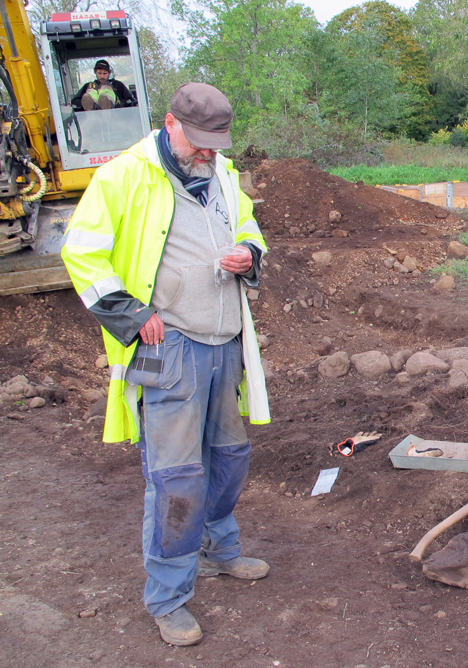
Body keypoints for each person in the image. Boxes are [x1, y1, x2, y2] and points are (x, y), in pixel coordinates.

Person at [60, 82, 271, 647]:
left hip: (225, 340)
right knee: (176, 475)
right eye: (200, 142)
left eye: (216, 143)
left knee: (228, 457)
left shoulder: (222, 173)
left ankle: (219, 550)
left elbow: (250, 228)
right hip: (170, 346)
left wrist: (247, 255)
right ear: (171, 124)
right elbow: (81, 249)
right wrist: (129, 313)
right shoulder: (123, 175)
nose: (209, 153)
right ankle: (168, 595)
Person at [70, 59, 136, 110]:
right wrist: (83, 104)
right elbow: (75, 101)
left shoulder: (118, 85)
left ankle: (108, 102)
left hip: (116, 117)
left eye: (104, 73)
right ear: (95, 72)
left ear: (109, 73)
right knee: (91, 90)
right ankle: (93, 103)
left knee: (107, 89)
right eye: (99, 73)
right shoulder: (88, 85)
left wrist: (118, 103)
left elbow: (131, 101)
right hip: (93, 118)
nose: (102, 76)